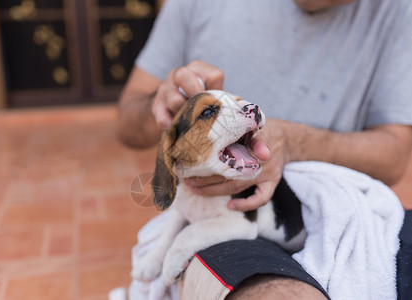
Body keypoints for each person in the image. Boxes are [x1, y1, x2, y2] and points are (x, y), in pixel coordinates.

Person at [116, 0, 412, 299]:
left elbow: (395, 155)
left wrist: (293, 142)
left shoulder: (398, 10)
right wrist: (163, 107)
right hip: (232, 228)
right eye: (209, 113)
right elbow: (127, 125)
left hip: (333, 206)